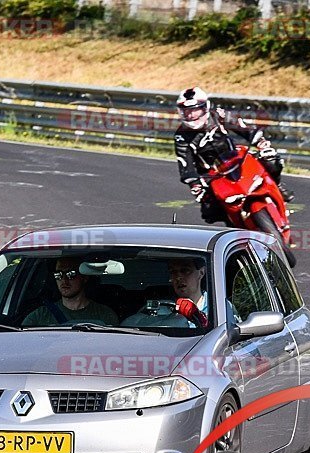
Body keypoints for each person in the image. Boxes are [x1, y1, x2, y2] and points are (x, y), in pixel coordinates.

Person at [173, 86, 294, 225]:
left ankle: (277, 186)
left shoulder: (219, 115)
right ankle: (235, 228)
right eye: (186, 111)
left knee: (272, 160)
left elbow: (244, 128)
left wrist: (261, 143)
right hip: (211, 174)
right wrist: (195, 184)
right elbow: (185, 164)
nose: (190, 115)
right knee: (210, 211)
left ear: (204, 107)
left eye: (194, 110)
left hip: (236, 158)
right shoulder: (181, 136)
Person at [22, 257, 118, 326]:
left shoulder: (105, 315)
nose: (64, 280)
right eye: (58, 274)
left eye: (70, 274)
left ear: (84, 277)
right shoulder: (39, 316)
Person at [121, 257, 209, 328]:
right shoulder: (159, 309)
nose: (178, 277)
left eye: (185, 270)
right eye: (173, 272)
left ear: (201, 273)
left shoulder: (216, 308)